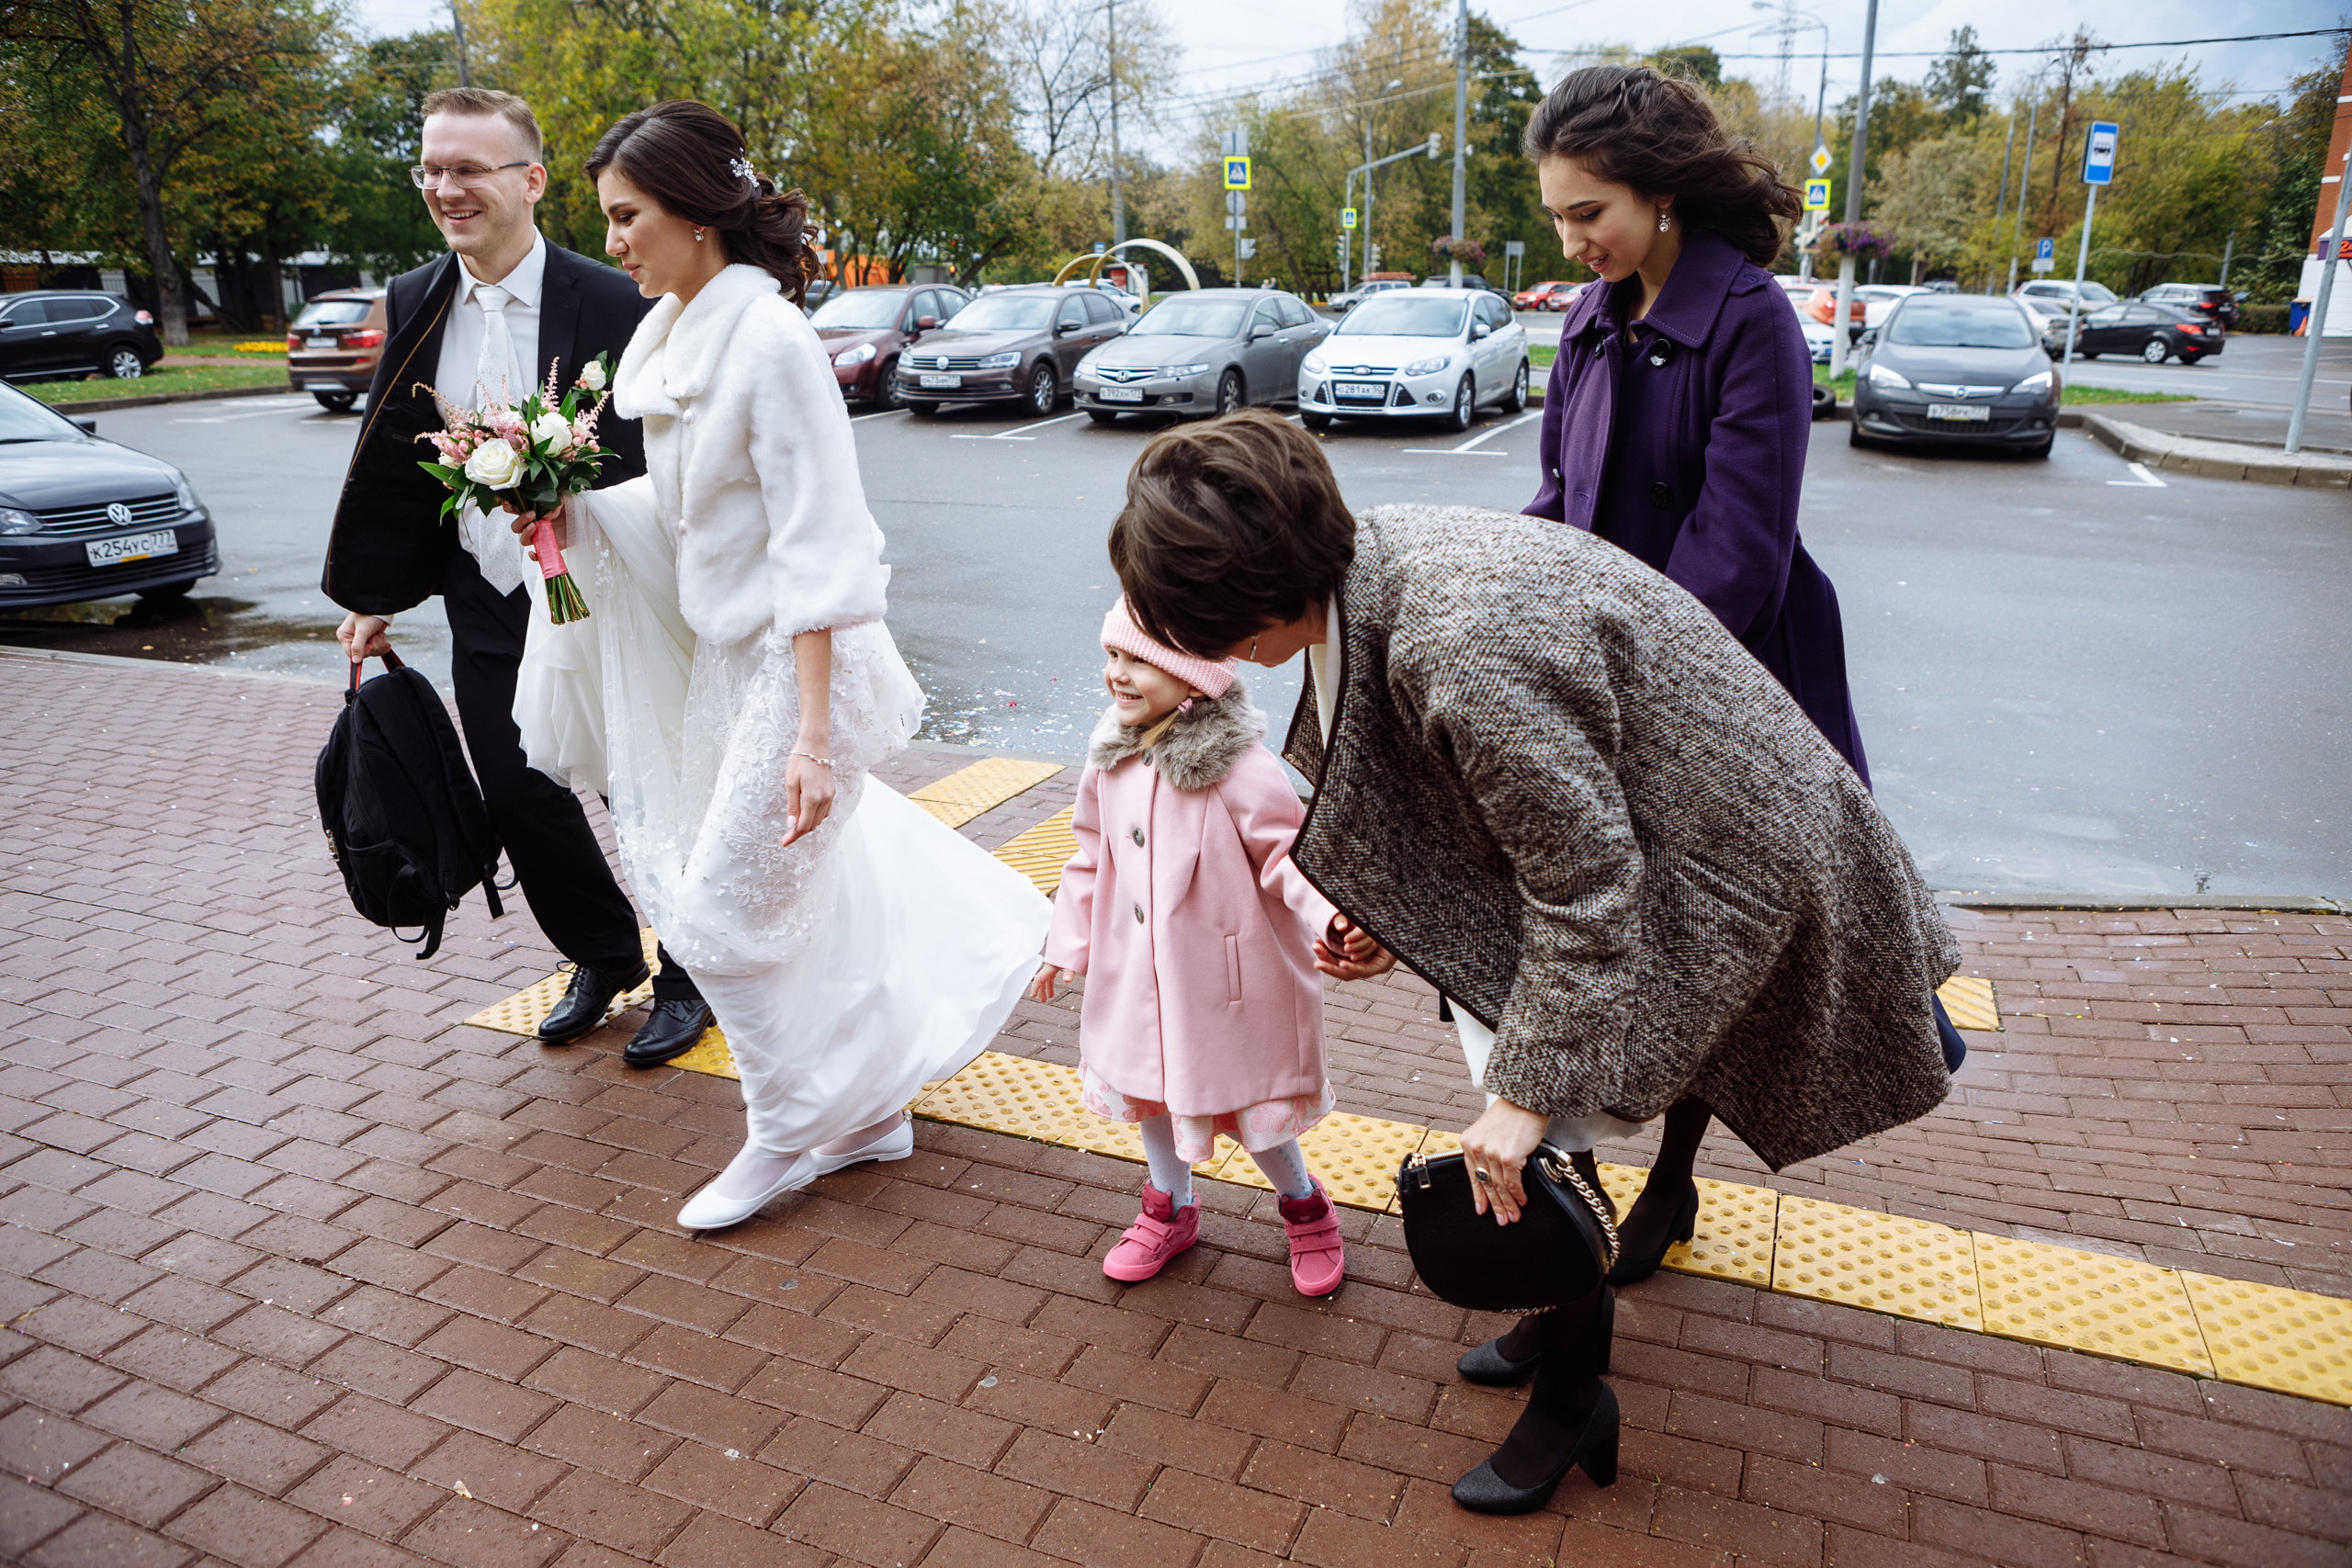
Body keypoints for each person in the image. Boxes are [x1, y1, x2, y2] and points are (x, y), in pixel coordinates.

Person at [1105, 410, 1960, 1514]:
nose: (1194, 652)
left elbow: (1584, 887)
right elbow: (1437, 781)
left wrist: (1522, 1094)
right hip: (1654, 833)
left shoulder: (1465, 640)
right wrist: (1384, 906)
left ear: (1252, 604)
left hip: (1715, 864)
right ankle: (1559, 1320)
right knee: (1554, 1131)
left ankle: (1572, 1395)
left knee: (1543, 1133)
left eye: (1196, 628)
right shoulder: (1358, 562)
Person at [504, 99, 1050, 1231]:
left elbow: (822, 547)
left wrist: (811, 739)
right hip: (735, 663)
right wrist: (571, 508)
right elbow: (693, 508)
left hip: (806, 674)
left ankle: (787, 1129)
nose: (611, 242)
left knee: (714, 915)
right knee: (803, 897)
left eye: (627, 216)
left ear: (697, 218)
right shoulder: (672, 336)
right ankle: (866, 1116)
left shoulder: (769, 342)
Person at [1518, 64, 1966, 1284]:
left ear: (1660, 195)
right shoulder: (1588, 315)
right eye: (1558, 214)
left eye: (1588, 212)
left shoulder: (1751, 317)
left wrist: (1621, 680)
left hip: (1732, 674)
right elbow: (1558, 499)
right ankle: (1578, 1189)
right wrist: (1523, 611)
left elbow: (1741, 549)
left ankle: (1672, 1170)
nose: (1571, 238)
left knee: (1717, 935)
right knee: (1602, 922)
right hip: (1605, 664)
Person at [321, 86, 713, 1067]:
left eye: (468, 170)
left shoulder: (620, 298)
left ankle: (693, 971)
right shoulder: (416, 298)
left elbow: (674, 453)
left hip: (611, 587)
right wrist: (373, 597)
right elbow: (395, 452)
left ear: (530, 180)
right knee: (517, 789)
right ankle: (603, 952)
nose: (445, 190)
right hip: (487, 593)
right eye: (431, 170)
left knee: (642, 788)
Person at [1030, 600, 1348, 1298]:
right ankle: (1169, 1206)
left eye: (1139, 659)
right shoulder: (1111, 750)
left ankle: (1304, 1204)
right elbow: (1088, 855)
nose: (1118, 673)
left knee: (1252, 1109)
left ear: (1194, 673)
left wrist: (1331, 918)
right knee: (1152, 1096)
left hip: (1223, 985)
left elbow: (1290, 858)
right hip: (1137, 976)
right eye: (1113, 655)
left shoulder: (1240, 767)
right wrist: (1068, 943)